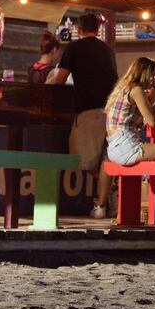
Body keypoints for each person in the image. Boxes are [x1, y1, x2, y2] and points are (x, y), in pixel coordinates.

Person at [47, 12, 119, 218]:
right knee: (104, 160)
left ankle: (107, 196)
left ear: (78, 29)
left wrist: (45, 86)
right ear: (98, 28)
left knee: (83, 158)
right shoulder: (107, 50)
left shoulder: (74, 48)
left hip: (88, 111)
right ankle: (106, 200)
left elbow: (60, 79)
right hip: (109, 111)